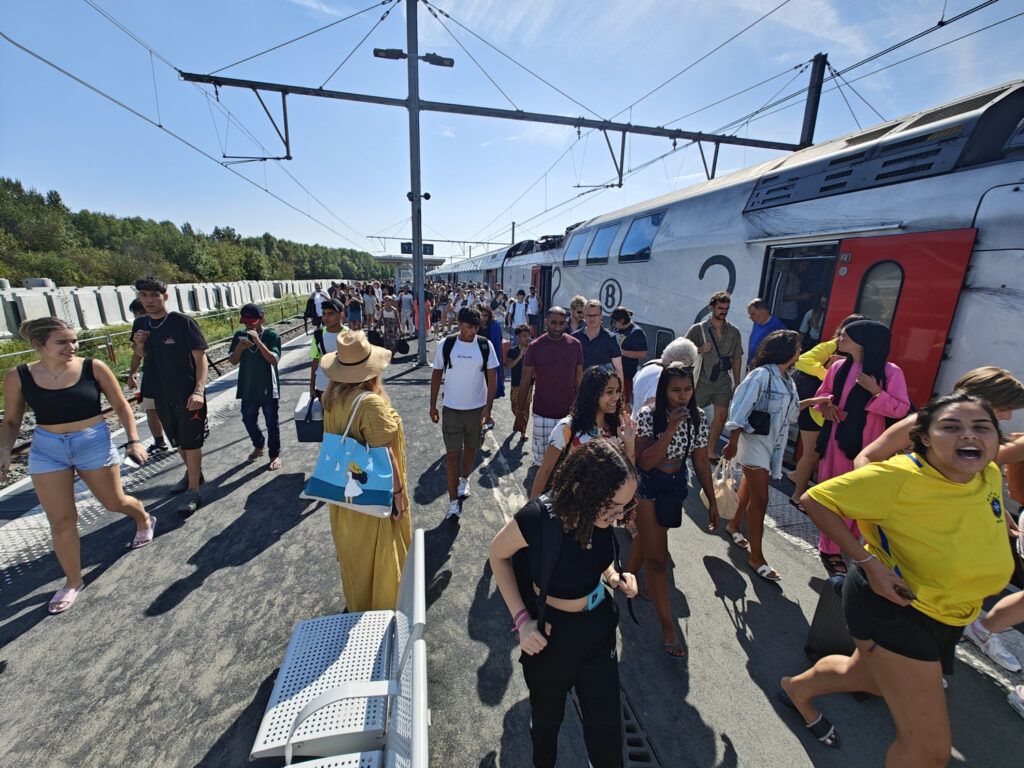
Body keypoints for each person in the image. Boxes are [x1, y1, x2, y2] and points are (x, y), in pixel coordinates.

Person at [782, 393, 1014, 761]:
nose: (969, 436)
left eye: (982, 428)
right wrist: (870, 564)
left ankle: (795, 688)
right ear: (923, 437)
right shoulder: (899, 476)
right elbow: (815, 500)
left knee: (868, 678)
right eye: (951, 427)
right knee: (928, 751)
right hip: (895, 608)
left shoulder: (985, 473)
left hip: (949, 615)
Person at [854, 367, 1024, 673]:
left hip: (943, 533)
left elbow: (985, 473)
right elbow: (866, 458)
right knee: (899, 600)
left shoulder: (980, 435)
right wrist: (876, 501)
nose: (1008, 418)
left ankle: (906, 667)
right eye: (1004, 409)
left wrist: (995, 510)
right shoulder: (920, 423)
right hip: (905, 529)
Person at [488, 440, 639, 768]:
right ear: (579, 488)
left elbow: (600, 560)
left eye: (625, 508)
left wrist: (614, 577)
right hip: (551, 639)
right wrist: (522, 620)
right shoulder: (540, 516)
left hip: (598, 631)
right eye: (612, 507)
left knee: (607, 734)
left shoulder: (601, 518)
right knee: (546, 727)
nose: (618, 517)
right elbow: (497, 555)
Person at [0, 318, 155, 614]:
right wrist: (4, 450)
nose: (71, 347)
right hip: (47, 448)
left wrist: (134, 440)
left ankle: (143, 519)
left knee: (113, 501)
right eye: (62, 342)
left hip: (92, 441)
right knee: (60, 521)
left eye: (73, 341)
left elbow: (121, 404)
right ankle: (73, 581)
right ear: (38, 345)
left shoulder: (93, 367)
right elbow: (10, 421)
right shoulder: (18, 376)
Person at [319, 332, 411, 612]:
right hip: (372, 492)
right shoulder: (369, 402)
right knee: (379, 552)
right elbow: (386, 454)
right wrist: (399, 496)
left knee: (354, 552)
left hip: (345, 493)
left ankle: (357, 602)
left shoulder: (332, 397)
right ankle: (381, 609)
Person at [722, 330, 824, 580]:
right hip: (753, 443)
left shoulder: (787, 379)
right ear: (788, 351)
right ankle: (757, 557)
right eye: (798, 348)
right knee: (762, 500)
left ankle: (734, 525)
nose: (800, 352)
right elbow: (739, 411)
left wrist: (813, 401)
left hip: (771, 447)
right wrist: (732, 443)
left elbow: (790, 414)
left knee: (751, 488)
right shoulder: (761, 375)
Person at [633, 362, 719, 656]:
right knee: (657, 560)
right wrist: (670, 429)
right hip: (648, 486)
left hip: (676, 485)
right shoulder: (648, 416)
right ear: (663, 391)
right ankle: (667, 626)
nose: (682, 396)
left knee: (648, 536)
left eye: (687, 389)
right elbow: (644, 462)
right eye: (675, 390)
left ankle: (625, 576)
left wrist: (712, 500)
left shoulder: (698, 419)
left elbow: (700, 463)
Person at [814, 320, 911, 575]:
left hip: (870, 445)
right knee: (834, 492)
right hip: (837, 440)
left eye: (846, 335)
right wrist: (827, 407)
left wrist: (876, 392)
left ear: (863, 341)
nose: (840, 338)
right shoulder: (836, 367)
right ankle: (830, 548)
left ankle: (857, 545)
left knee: (862, 494)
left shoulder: (890, 373)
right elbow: (822, 396)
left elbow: (901, 409)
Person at [131, 276, 209, 518]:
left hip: (187, 394)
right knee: (177, 441)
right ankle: (193, 473)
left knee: (192, 441)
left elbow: (200, 359)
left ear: (165, 296)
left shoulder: (182, 323)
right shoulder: (141, 324)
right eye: (144, 295)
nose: (149, 300)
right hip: (160, 394)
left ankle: (193, 490)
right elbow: (141, 354)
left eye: (155, 295)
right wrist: (139, 345)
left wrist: (199, 390)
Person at [787, 314, 867, 505]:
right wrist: (831, 376)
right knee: (812, 454)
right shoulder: (830, 346)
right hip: (814, 409)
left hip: (826, 412)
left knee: (817, 453)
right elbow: (803, 361)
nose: (842, 338)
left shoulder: (860, 355)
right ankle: (798, 496)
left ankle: (797, 475)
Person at [430, 306, 499, 520]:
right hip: (451, 409)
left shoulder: (485, 345)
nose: (473, 331)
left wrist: (488, 407)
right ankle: (453, 503)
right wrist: (432, 405)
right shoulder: (446, 344)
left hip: (476, 409)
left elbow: (492, 376)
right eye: (469, 326)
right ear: (459, 324)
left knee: (471, 448)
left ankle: (465, 479)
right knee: (452, 455)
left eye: (476, 327)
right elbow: (436, 375)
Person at [530, 366, 636, 497]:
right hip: (568, 504)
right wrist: (531, 510)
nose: (616, 397)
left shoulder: (618, 428)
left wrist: (630, 443)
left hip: (604, 507)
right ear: (592, 394)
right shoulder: (567, 427)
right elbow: (545, 471)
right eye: (609, 392)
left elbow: (628, 475)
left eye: (618, 391)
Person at [517, 308, 584, 466]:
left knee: (566, 463)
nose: (558, 327)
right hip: (542, 414)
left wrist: (581, 407)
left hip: (569, 414)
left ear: (566, 323)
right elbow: (525, 381)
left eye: (562, 323)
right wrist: (520, 412)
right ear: (546, 322)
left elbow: (579, 378)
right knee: (541, 463)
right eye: (554, 323)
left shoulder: (575, 345)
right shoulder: (534, 347)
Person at [685, 291, 744, 460]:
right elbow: (683, 351)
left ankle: (710, 451)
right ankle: (688, 445)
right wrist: (700, 350)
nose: (723, 311)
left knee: (721, 416)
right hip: (701, 379)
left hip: (723, 380)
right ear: (711, 308)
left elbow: (737, 356)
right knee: (692, 415)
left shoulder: (733, 331)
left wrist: (737, 382)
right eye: (720, 308)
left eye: (726, 308)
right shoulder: (698, 329)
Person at [228, 303, 282, 471]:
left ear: (262, 319)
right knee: (248, 419)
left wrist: (257, 341)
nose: (249, 326)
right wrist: (239, 348)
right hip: (248, 386)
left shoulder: (271, 335)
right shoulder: (239, 335)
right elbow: (233, 360)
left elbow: (274, 360)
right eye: (246, 323)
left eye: (253, 322)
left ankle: (274, 455)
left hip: (268, 386)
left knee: (272, 422)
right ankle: (259, 444)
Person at [127, 298, 168, 454]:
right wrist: (132, 373)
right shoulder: (139, 325)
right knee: (150, 408)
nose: (139, 316)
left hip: (170, 372)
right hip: (150, 372)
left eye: (140, 312)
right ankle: (159, 442)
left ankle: (179, 439)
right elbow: (137, 353)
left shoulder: (168, 322)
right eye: (136, 313)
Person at [631, 337, 699, 418]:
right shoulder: (660, 376)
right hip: (646, 427)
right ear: (682, 359)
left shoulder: (650, 364)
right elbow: (651, 407)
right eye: (688, 365)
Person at [571, 300, 623, 381]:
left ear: (601, 316)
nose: (592, 318)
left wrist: (620, 391)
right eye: (589, 315)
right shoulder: (574, 338)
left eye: (595, 315)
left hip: (602, 388)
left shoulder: (610, 338)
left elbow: (618, 368)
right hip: (579, 387)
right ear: (584, 316)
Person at [309, 299, 347, 399]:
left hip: (344, 385)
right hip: (323, 385)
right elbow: (315, 360)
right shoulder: (318, 335)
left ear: (341, 315)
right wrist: (312, 386)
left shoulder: (349, 335)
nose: (326, 317)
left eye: (330, 314)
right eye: (324, 314)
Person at [610, 306, 647, 406]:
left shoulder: (636, 332)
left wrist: (622, 352)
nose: (614, 324)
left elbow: (643, 353)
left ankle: (629, 420)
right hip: (612, 370)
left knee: (623, 401)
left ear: (622, 320)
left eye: (615, 321)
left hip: (627, 373)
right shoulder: (616, 328)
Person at [476, 303, 506, 413]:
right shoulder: (473, 327)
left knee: (490, 389)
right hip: (476, 363)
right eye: (481, 315)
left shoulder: (495, 326)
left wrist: (501, 368)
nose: (483, 318)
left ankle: (487, 411)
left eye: (485, 315)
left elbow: (499, 347)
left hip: (491, 363)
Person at [506, 324, 533, 441]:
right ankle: (519, 421)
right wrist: (520, 356)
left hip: (529, 383)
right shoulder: (512, 350)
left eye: (528, 335)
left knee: (526, 408)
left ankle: (523, 431)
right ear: (518, 337)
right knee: (514, 407)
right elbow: (509, 365)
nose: (527, 338)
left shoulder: (533, 350)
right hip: (516, 383)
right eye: (524, 336)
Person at [745, 298, 787, 371]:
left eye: (752, 314)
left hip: (765, 369)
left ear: (763, 312)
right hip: (752, 365)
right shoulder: (757, 322)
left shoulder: (777, 326)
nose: (750, 317)